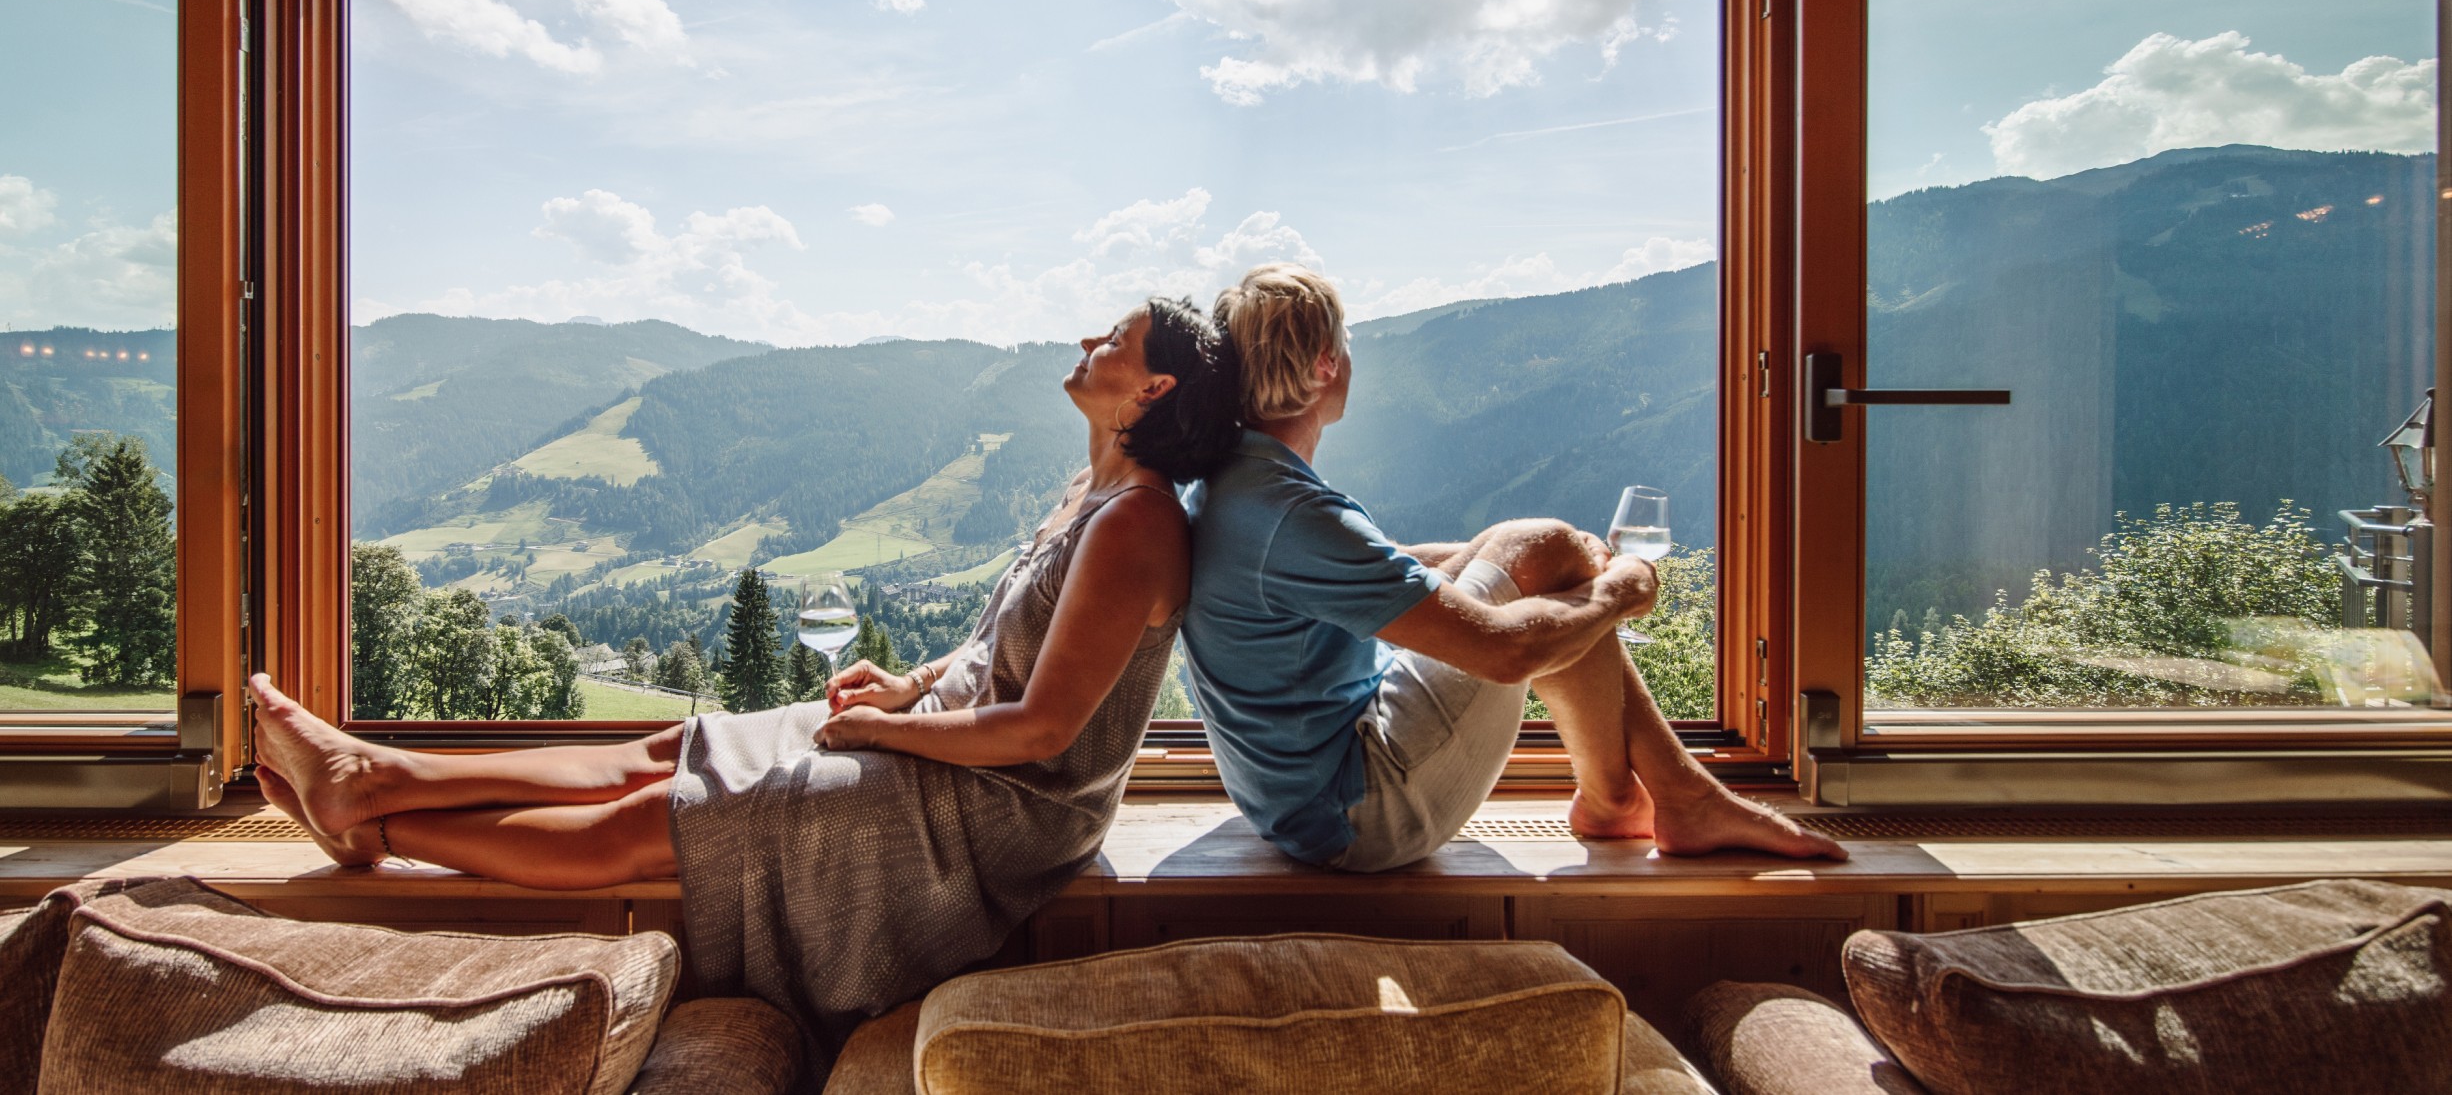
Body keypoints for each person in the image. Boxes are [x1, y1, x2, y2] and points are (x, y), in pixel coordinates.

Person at [247, 296, 1243, 1074]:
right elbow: (999, 647)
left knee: (655, 823)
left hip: (998, 808)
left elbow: (1040, 726)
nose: (1087, 337)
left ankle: (372, 825)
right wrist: (906, 687)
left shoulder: (1139, 524)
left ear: (1149, 391)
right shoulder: (1091, 493)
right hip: (948, 741)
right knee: (665, 751)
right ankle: (376, 771)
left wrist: (892, 736)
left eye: (1115, 336)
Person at [1180, 262, 1844, 873]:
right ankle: (1652, 799)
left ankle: (1641, 798)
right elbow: (1507, 654)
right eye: (1346, 341)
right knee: (1547, 547)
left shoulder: (1241, 488)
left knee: (1539, 552)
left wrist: (1511, 551)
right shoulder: (1288, 514)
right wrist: (1617, 590)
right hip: (1358, 814)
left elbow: (1382, 569)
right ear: (1327, 363)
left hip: (1297, 798)